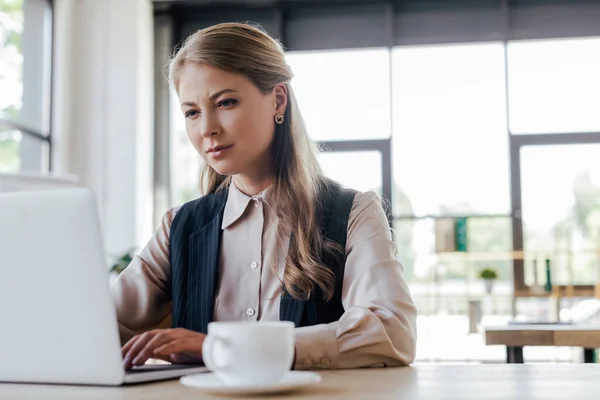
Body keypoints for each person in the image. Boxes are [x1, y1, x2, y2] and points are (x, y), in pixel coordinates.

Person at [114, 22, 417, 371]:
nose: (206, 128)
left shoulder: (353, 212)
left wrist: (223, 346)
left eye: (225, 102)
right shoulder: (178, 226)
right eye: (192, 112)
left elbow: (393, 332)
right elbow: (101, 326)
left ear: (278, 99)